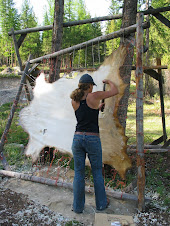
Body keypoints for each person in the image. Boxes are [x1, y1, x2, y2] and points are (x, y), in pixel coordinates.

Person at [70, 73, 118, 213]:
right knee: (97, 172)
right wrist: (109, 81)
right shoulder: (94, 96)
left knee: (79, 173)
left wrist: (97, 109)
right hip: (92, 138)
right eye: (92, 86)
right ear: (90, 86)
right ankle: (101, 204)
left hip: (77, 138)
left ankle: (78, 207)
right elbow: (115, 91)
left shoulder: (74, 100)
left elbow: (85, 113)